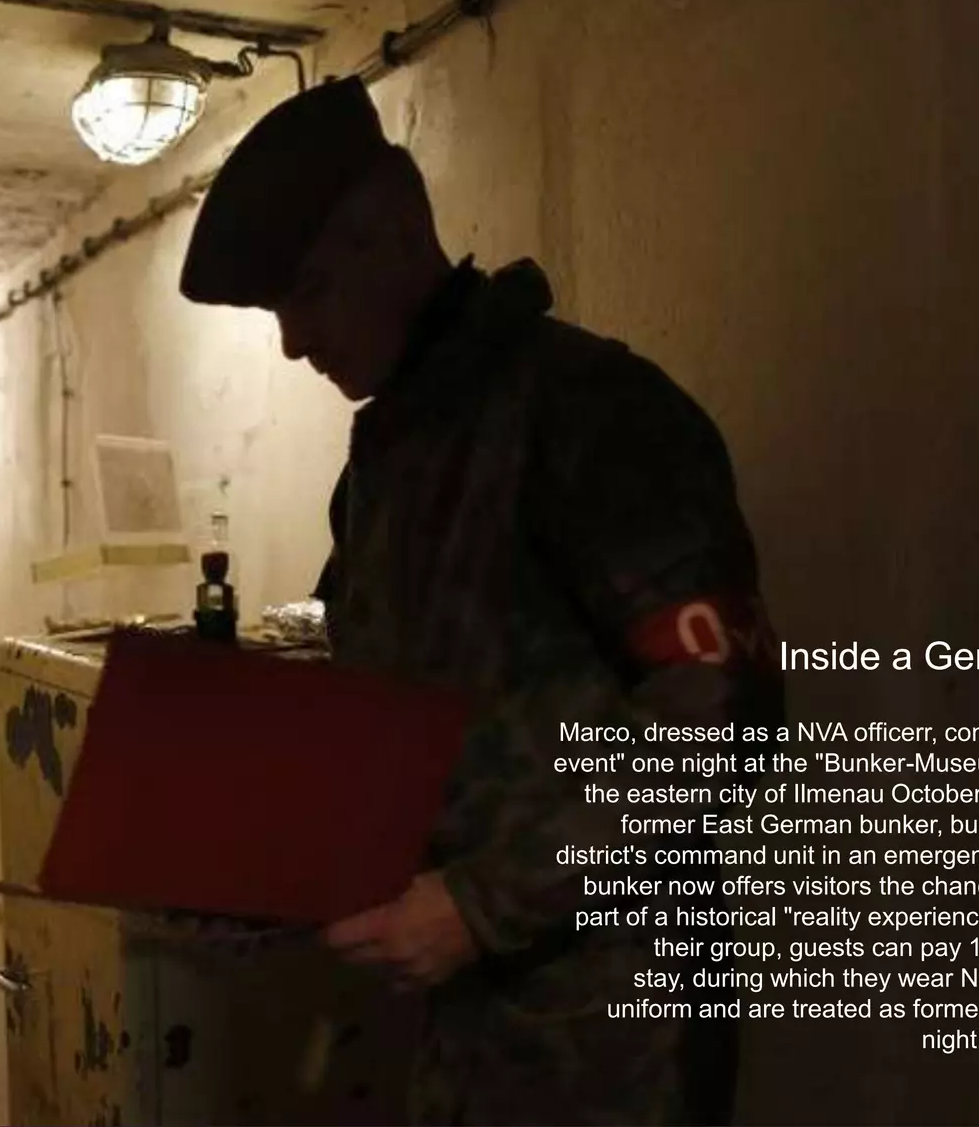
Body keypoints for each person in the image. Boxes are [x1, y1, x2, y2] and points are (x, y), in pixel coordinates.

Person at [179, 76, 785, 1126]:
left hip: (610, 1029)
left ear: (396, 234)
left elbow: (721, 709)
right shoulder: (390, 460)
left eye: (308, 292)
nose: (288, 343)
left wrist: (476, 903)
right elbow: (392, 713)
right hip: (467, 1017)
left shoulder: (584, 411)